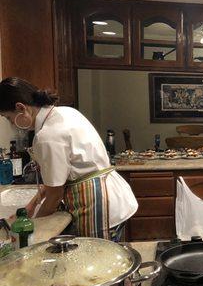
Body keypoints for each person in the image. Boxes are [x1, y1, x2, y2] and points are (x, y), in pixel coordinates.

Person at [0, 77, 138, 240]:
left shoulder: (47, 135)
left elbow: (55, 194)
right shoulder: (66, 112)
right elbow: (55, 181)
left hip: (97, 205)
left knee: (97, 261)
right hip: (113, 198)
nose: (12, 124)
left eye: (9, 118)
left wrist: (33, 225)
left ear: (21, 108)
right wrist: (31, 206)